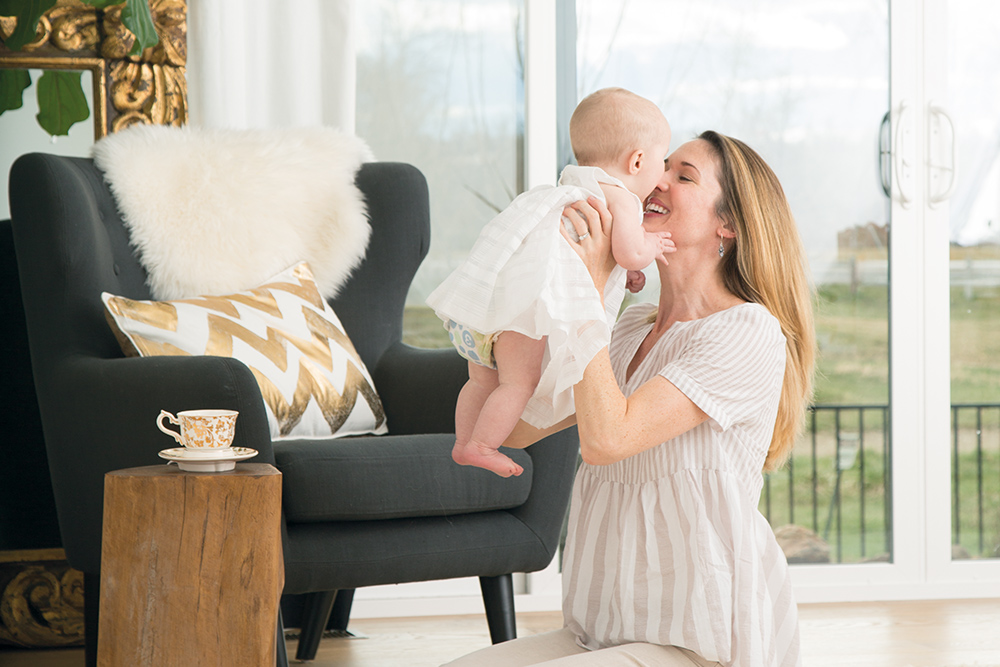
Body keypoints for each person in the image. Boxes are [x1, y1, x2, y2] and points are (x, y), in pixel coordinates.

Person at [442, 131, 815, 667]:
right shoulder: (629, 328)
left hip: (698, 641)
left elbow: (607, 439)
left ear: (726, 225)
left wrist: (587, 295)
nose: (658, 179)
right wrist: (502, 309)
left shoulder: (746, 330)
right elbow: (520, 429)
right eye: (661, 166)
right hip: (602, 632)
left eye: (684, 176)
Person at [427, 88, 674, 477]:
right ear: (638, 160)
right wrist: (650, 246)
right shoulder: (621, 198)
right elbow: (628, 251)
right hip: (522, 317)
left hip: (484, 312)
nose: (661, 178)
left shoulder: (569, 185)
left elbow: (586, 254)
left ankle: (462, 441)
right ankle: (479, 445)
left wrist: (625, 270)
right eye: (663, 161)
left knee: (480, 381)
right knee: (516, 385)